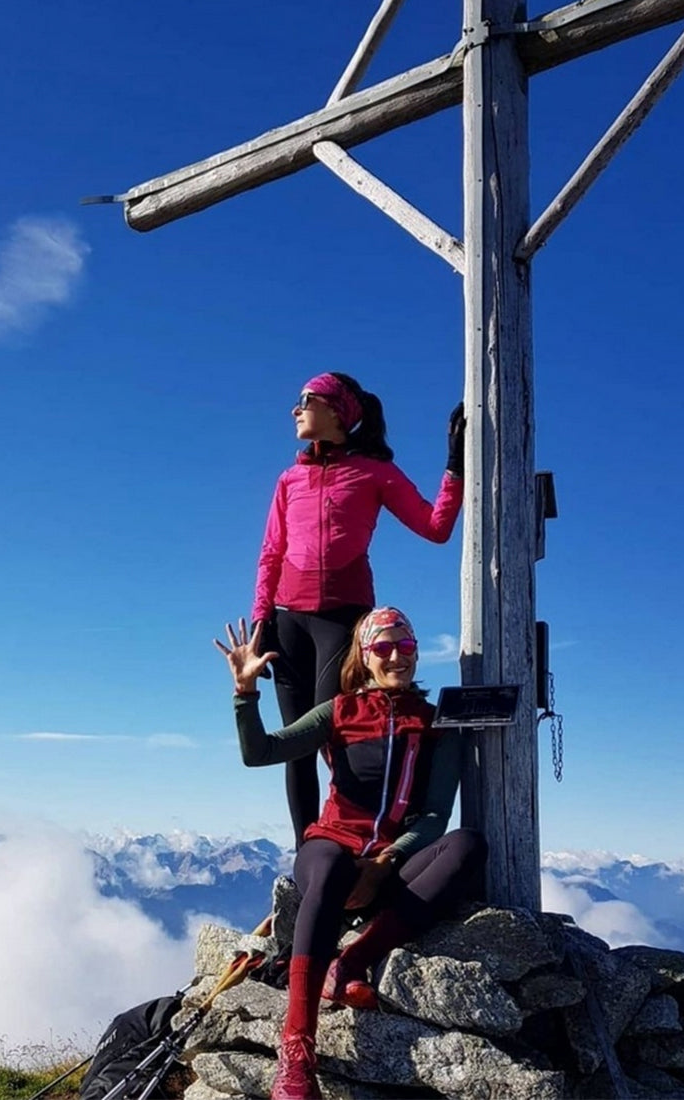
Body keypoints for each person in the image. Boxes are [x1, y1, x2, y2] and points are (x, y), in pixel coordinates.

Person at [214, 607, 486, 1100]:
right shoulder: (339, 711)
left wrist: (384, 865)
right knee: (333, 866)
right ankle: (296, 1052)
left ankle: (349, 964)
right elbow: (260, 752)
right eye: (384, 648)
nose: (397, 657)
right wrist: (246, 693)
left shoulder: (434, 723)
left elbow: (434, 816)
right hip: (329, 848)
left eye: (406, 647)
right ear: (365, 657)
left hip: (391, 860)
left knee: (468, 846)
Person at [251, 371, 464, 848]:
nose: (295, 409)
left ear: (337, 412)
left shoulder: (373, 472)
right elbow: (271, 552)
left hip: (343, 622)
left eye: (306, 399)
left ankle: (356, 846)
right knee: (295, 749)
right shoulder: (290, 479)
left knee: (333, 740)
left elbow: (435, 527)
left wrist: (455, 467)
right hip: (287, 621)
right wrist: (262, 618)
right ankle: (308, 859)